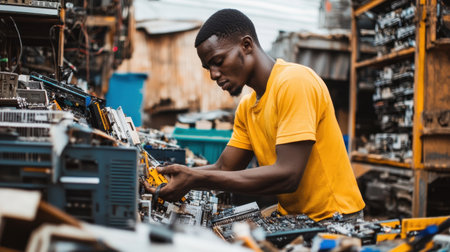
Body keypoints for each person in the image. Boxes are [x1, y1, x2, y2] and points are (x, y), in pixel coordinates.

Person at [146, 9, 365, 222]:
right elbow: (225, 168)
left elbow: (288, 176)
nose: (214, 74)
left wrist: (196, 178)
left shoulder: (294, 82)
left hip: (335, 220)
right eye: (208, 67)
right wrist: (179, 178)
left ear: (247, 45)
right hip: (295, 218)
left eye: (218, 61)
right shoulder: (247, 107)